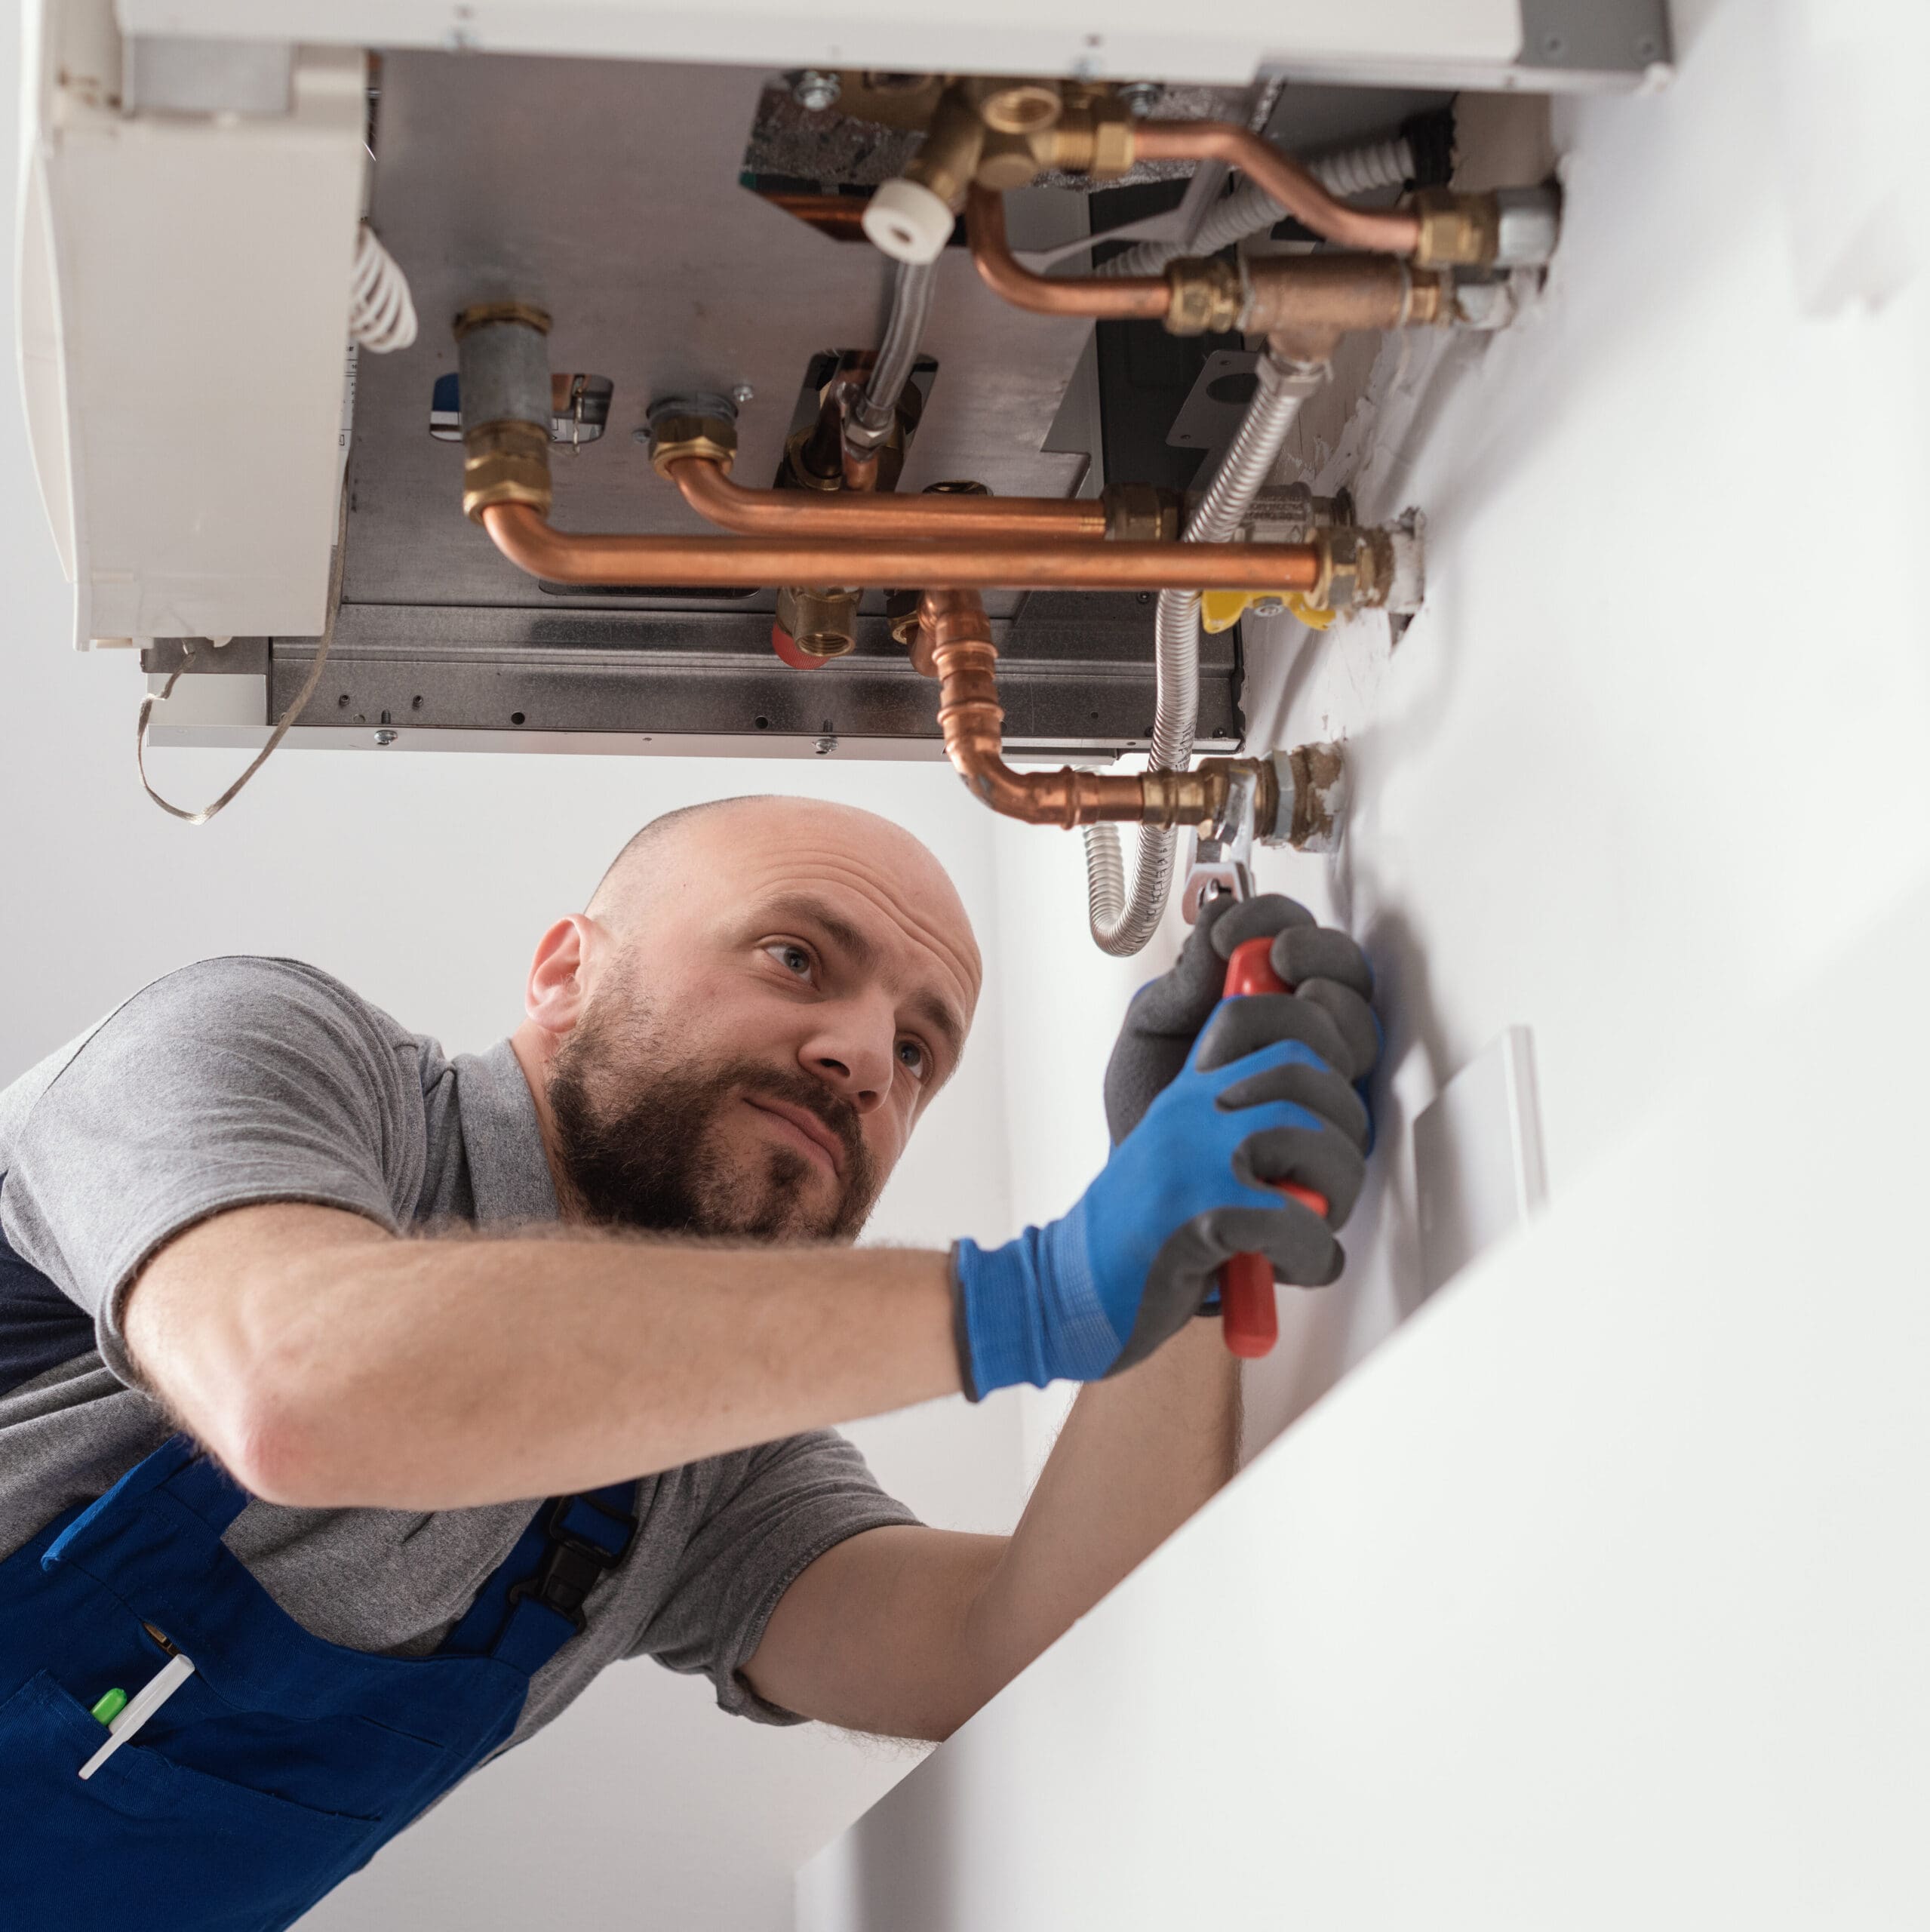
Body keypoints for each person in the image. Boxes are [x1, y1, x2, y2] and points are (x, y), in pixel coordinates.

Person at [0, 793, 1377, 1928]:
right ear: (564, 973)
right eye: (794, 958)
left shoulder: (699, 1477)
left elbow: (1009, 1648)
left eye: (916, 1052)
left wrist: (1184, 1262)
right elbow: (298, 1384)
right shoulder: (271, 1055)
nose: (860, 1060)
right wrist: (1039, 1294)